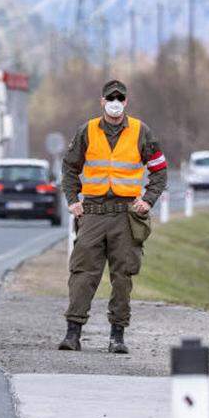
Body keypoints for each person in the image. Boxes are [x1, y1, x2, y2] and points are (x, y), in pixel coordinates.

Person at [59, 80, 168, 353]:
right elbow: (69, 167)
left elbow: (159, 170)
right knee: (83, 273)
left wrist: (148, 200)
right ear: (102, 101)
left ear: (126, 102)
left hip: (126, 215)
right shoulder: (88, 130)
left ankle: (117, 336)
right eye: (111, 98)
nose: (115, 102)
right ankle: (73, 333)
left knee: (123, 277)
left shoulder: (142, 132)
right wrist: (73, 201)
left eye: (120, 98)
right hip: (93, 214)